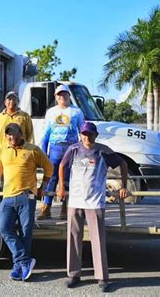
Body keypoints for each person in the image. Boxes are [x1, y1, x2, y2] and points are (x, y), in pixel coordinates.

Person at [57, 122, 128, 292]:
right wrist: (61, 187)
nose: (86, 137)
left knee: (97, 240)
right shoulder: (74, 149)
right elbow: (61, 166)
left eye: (89, 134)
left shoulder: (103, 150)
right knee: (73, 238)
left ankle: (102, 277)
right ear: (80, 134)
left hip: (95, 202)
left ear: (95, 135)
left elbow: (123, 164)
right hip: (75, 200)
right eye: (84, 134)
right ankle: (73, 274)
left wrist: (123, 186)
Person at [0, 123, 53, 282]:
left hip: (26, 197)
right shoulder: (3, 149)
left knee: (25, 232)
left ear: (21, 134)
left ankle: (18, 266)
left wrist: (43, 186)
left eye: (14, 134)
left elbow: (49, 167)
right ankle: (24, 261)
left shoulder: (33, 150)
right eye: (8, 135)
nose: (11, 137)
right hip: (7, 197)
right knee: (4, 228)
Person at [38, 84, 84, 220]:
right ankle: (46, 207)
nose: (62, 97)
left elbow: (83, 131)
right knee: (51, 177)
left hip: (71, 147)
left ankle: (65, 207)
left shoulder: (76, 111)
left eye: (65, 94)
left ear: (69, 96)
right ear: (56, 97)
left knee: (68, 178)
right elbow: (46, 133)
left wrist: (81, 150)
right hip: (55, 148)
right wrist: (44, 151)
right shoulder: (51, 112)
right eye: (59, 95)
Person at [0, 91, 34, 162]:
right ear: (5, 102)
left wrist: (30, 151)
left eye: (14, 99)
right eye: (9, 99)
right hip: (3, 154)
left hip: (20, 154)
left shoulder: (25, 116)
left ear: (18, 101)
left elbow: (30, 135)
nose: (11, 101)